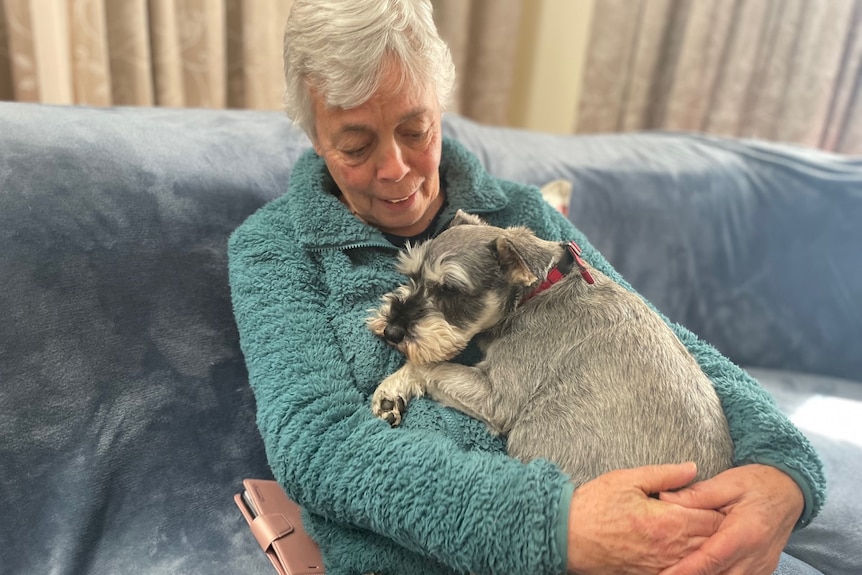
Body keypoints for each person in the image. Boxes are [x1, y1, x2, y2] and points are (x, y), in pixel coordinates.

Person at [228, 1, 825, 573]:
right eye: (356, 146)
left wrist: (781, 475)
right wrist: (553, 526)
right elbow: (320, 449)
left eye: (416, 129)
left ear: (439, 106)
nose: (396, 169)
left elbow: (665, 346)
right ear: (315, 137)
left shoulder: (520, 218)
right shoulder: (273, 250)